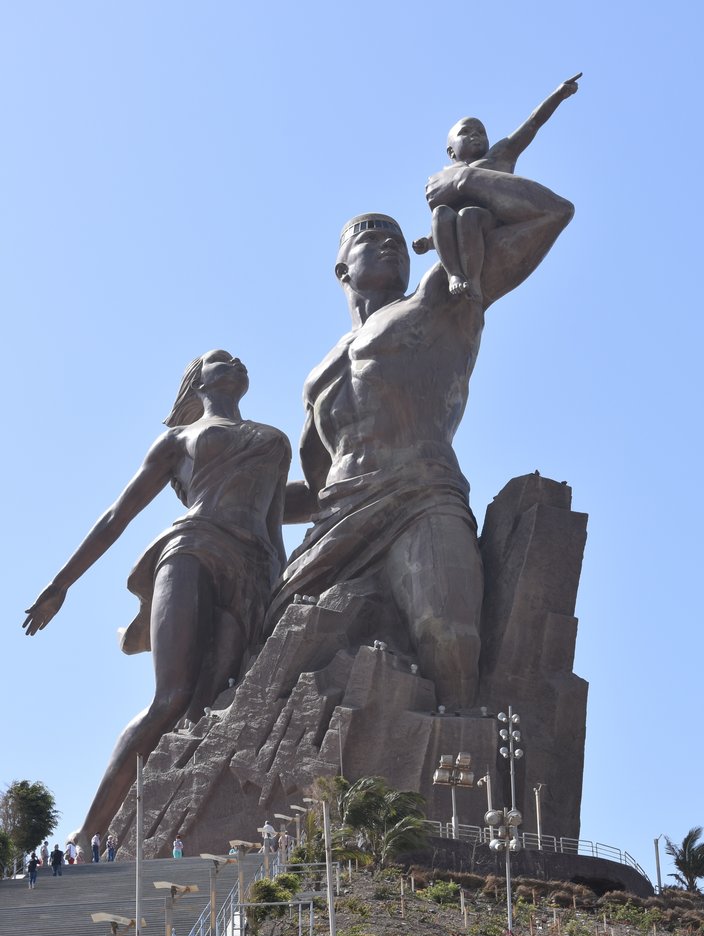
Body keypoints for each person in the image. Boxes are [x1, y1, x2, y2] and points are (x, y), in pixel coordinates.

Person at [267, 162, 574, 709]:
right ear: (342, 269)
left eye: (397, 240)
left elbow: (551, 212)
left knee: (450, 639)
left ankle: (468, 784)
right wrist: (235, 506)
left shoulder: (442, 299)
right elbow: (314, 486)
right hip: (336, 521)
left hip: (422, 497)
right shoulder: (318, 376)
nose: (390, 246)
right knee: (269, 660)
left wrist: (465, 182)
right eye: (370, 238)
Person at [24, 350, 291, 854]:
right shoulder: (177, 441)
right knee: (170, 698)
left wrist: (282, 585)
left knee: (210, 703)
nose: (236, 362)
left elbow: (275, 523)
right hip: (192, 548)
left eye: (237, 359)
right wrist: (62, 583)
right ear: (197, 385)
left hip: (254, 569)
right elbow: (116, 516)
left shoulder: (275, 441)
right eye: (220, 360)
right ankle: (90, 831)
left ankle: (181, 825)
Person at [413, 74, 580, 300]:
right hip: (456, 230)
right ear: (451, 151)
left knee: (468, 215)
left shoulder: (497, 157)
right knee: (441, 213)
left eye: (480, 132)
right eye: (466, 132)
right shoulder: (440, 179)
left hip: (487, 221)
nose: (475, 135)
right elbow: (445, 226)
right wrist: (428, 241)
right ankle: (455, 274)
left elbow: (532, 124)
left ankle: (472, 281)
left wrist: (558, 95)